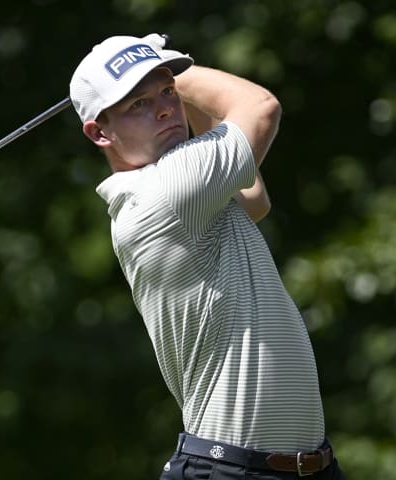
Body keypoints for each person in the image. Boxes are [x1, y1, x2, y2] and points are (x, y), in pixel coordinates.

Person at [69, 34, 346, 479]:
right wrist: (168, 64)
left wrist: (163, 74)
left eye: (166, 93)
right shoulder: (166, 192)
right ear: (100, 132)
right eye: (136, 104)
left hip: (303, 469)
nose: (163, 108)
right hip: (233, 471)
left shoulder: (187, 189)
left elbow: (255, 199)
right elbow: (260, 107)